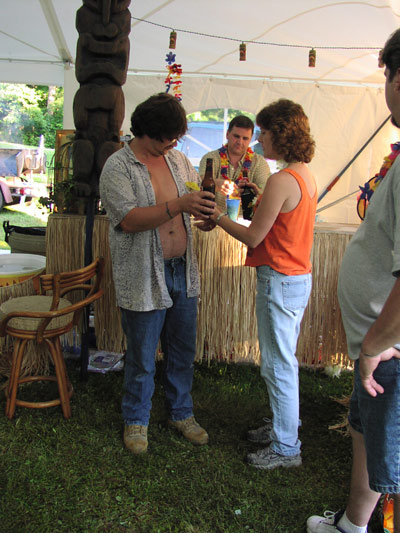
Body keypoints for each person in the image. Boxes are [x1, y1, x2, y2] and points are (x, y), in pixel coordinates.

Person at [307, 29, 400, 533]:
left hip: (388, 352)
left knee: (395, 468)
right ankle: (352, 525)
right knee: (367, 438)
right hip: (380, 348)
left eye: (385, 76)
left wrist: (375, 346)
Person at [99, 93, 216, 455]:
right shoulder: (118, 167)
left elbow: (193, 200)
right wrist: (179, 204)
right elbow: (129, 220)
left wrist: (205, 215)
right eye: (167, 138)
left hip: (182, 270)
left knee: (182, 351)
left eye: (176, 138)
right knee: (142, 355)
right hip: (142, 274)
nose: (173, 145)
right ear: (146, 132)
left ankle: (181, 413)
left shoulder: (177, 160)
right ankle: (136, 419)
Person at [210, 99, 317, 470]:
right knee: (282, 360)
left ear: (281, 135)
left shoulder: (281, 180)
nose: (259, 140)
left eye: (265, 132)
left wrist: (218, 217)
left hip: (280, 278)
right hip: (295, 277)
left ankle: (286, 446)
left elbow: (254, 236)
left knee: (277, 364)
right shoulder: (302, 174)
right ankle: (283, 425)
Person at [198, 115, 270, 211]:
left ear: (250, 139)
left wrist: (253, 191)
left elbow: (266, 196)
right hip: (213, 216)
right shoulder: (211, 158)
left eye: (245, 138)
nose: (240, 142)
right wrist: (215, 183)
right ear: (227, 134)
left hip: (245, 218)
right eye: (236, 136)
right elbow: (198, 183)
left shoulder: (259, 163)